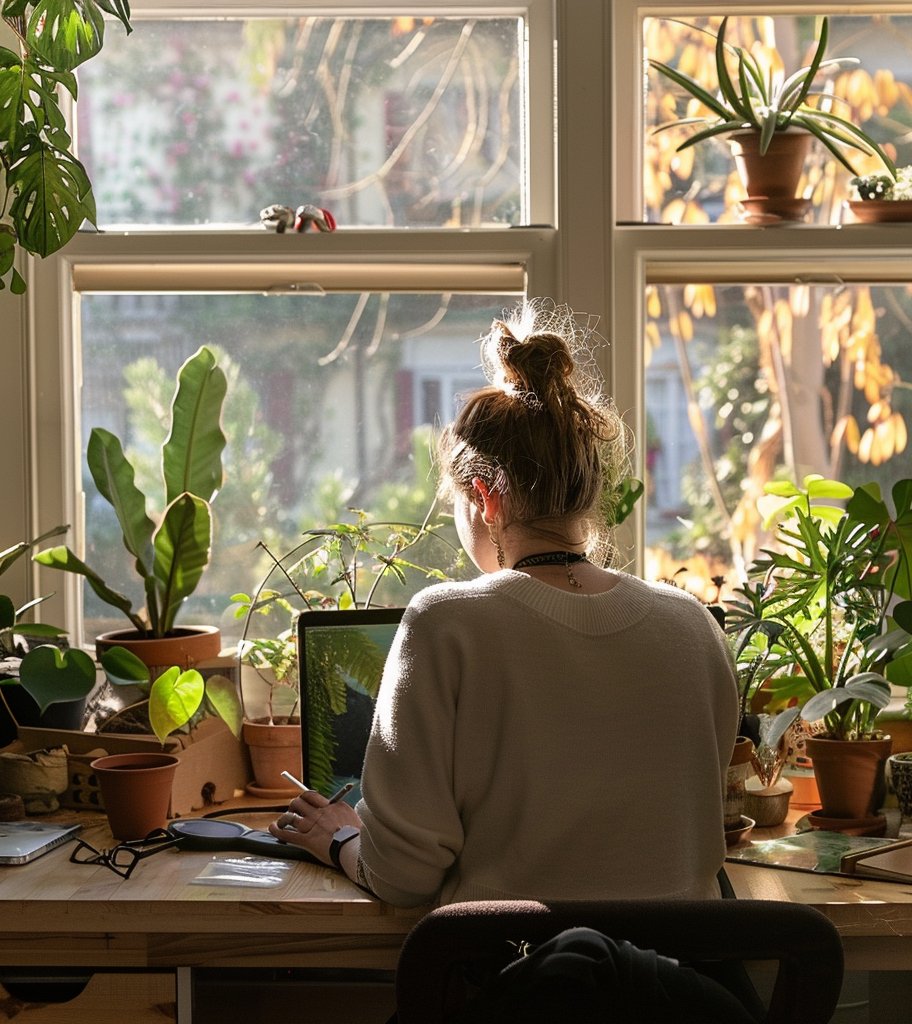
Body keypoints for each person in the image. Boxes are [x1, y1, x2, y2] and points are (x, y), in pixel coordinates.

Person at [269, 300, 738, 909]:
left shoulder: (446, 623)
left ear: (486, 498)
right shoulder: (693, 626)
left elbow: (403, 877)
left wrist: (339, 841)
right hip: (678, 989)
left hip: (516, 984)